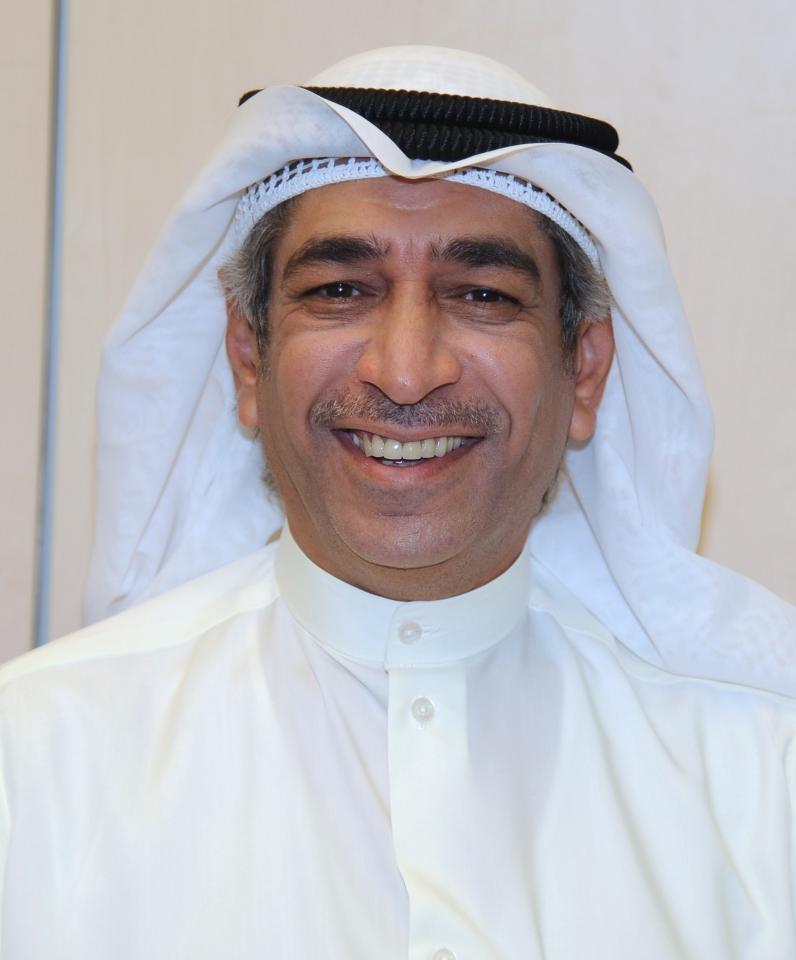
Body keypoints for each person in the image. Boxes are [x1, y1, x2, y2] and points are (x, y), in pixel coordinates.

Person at [1, 45, 795, 959]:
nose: (406, 372)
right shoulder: (36, 764)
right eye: (340, 291)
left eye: (482, 294)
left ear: (584, 370)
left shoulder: (758, 784)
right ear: (249, 359)